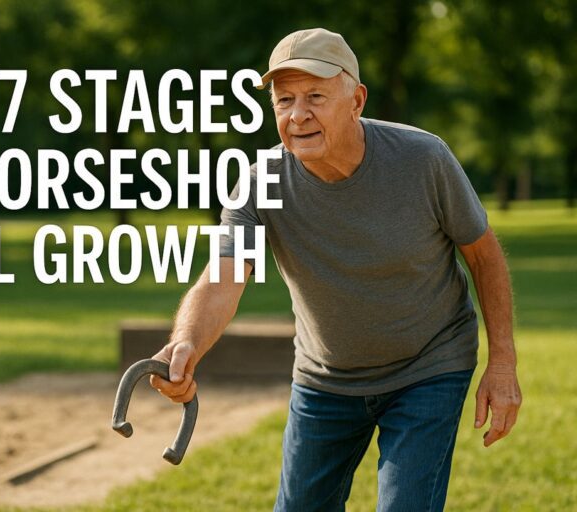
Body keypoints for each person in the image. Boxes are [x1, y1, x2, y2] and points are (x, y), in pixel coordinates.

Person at [149, 28, 522, 511]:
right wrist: (186, 342)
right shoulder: (261, 181)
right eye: (284, 100)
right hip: (327, 379)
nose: (297, 114)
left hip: (428, 366)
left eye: (315, 96)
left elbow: (484, 256)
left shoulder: (422, 159)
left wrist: (503, 363)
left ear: (356, 100)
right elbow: (223, 277)